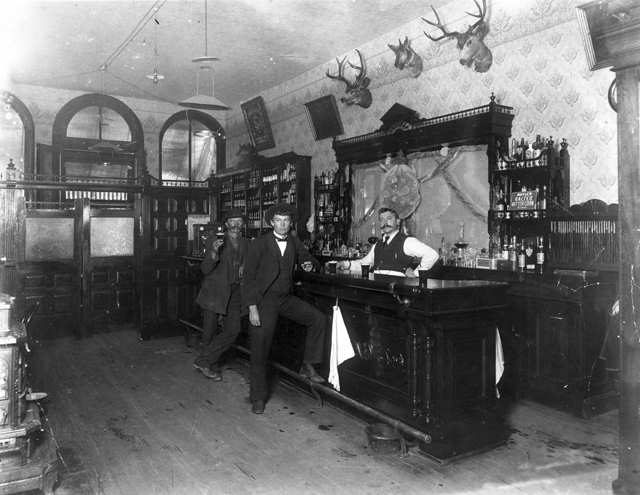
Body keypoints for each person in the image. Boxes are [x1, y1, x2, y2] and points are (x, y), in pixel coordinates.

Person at [242, 203, 327, 414]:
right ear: (271, 222)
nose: (283, 224)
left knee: (317, 319)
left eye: (286, 220)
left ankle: (308, 364)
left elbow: (308, 258)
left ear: (291, 223)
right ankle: (257, 398)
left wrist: (307, 264)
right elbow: (248, 279)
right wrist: (252, 308)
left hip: (285, 298)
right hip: (263, 301)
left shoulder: (293, 240)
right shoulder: (259, 244)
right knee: (260, 350)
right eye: (278, 220)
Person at [193, 209, 249, 381]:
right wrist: (214, 253)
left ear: (243, 225)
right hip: (214, 292)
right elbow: (205, 269)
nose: (236, 225)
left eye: (239, 222)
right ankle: (208, 363)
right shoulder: (215, 240)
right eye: (233, 221)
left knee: (233, 330)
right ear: (226, 224)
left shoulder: (247, 243)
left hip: (235, 292)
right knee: (209, 331)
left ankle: (204, 361)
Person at [345, 207, 439, 277]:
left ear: (398, 222)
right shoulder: (378, 244)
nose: (385, 222)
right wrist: (346, 264)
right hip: (377, 288)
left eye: (389, 219)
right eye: (381, 219)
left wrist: (416, 273)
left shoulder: (407, 241)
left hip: (397, 291)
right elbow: (365, 263)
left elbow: (432, 255)